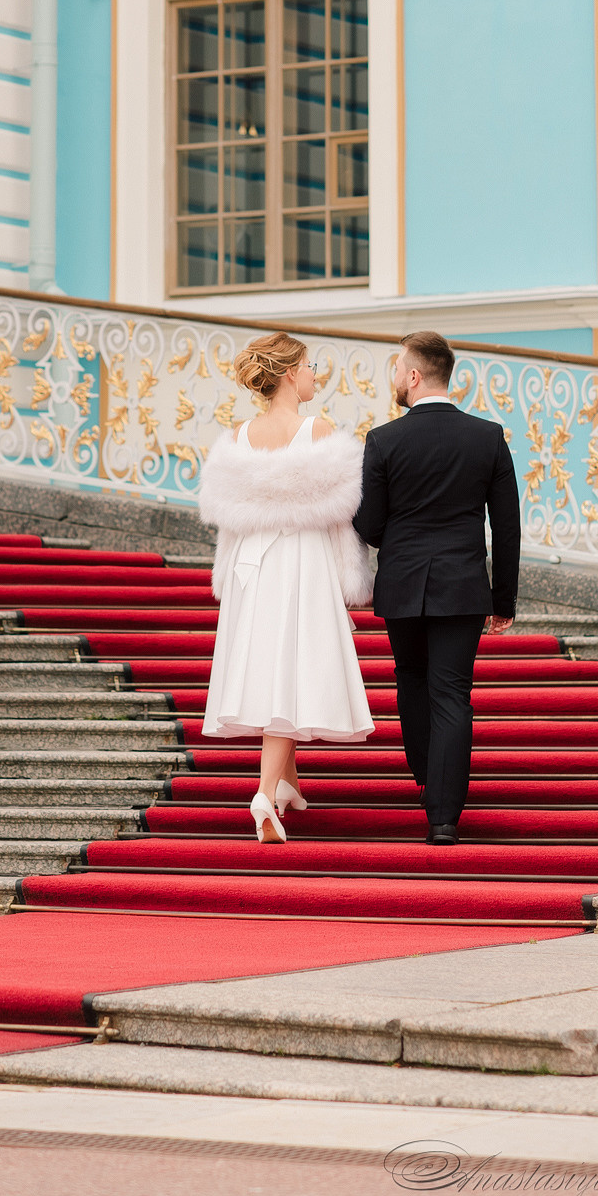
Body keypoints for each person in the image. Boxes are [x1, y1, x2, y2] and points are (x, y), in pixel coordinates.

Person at [197, 331, 374, 843]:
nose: (317, 373)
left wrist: (226, 574)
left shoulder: (238, 434)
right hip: (301, 560)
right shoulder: (319, 428)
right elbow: (344, 517)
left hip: (253, 564)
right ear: (292, 373)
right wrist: (352, 576)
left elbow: (229, 522)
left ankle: (287, 787)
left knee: (276, 667)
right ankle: (263, 791)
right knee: (292, 670)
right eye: (311, 365)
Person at [352, 330, 521, 846]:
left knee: (411, 683)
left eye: (397, 367)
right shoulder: (488, 436)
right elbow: (507, 525)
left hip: (403, 584)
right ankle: (444, 814)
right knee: (452, 693)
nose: (394, 378)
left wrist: (393, 539)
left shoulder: (383, 440)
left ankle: (429, 781)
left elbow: (369, 525)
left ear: (413, 375)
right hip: (463, 586)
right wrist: (503, 599)